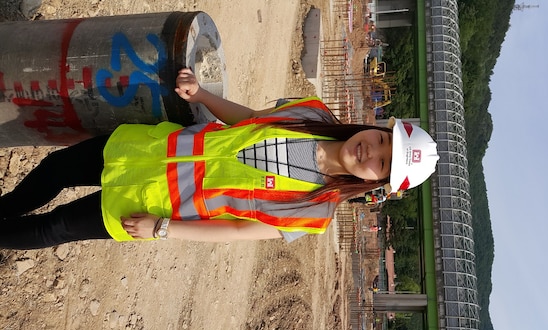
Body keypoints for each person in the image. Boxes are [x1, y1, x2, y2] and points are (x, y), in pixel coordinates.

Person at [0, 68, 439, 250]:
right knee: (53, 170)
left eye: (383, 164)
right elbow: (249, 119)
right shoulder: (313, 112)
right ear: (378, 129)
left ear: (376, 183)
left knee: (53, 227)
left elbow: (234, 230)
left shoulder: (313, 214)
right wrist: (202, 94)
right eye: (383, 142)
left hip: (154, 202)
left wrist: (164, 228)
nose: (372, 152)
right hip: (148, 151)